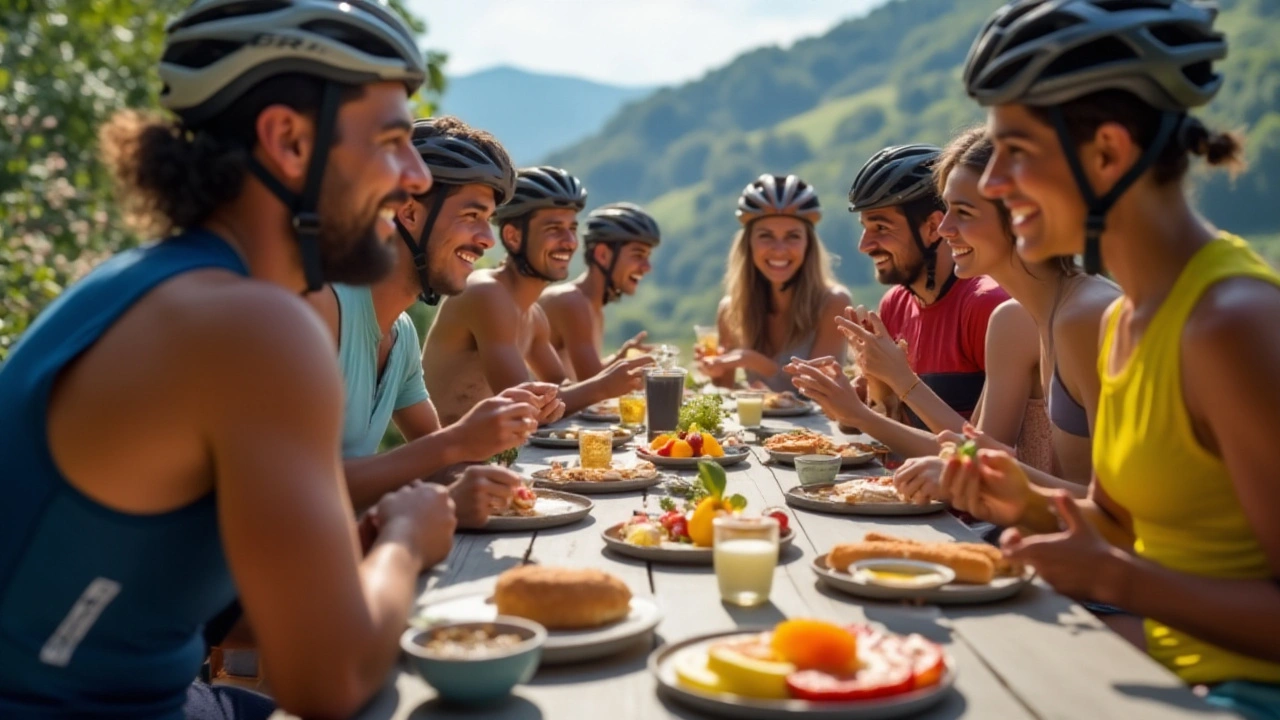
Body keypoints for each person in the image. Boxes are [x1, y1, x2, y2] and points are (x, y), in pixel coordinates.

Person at [0, 3, 474, 718]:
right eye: (390, 141)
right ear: (287, 140)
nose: (413, 177)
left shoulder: (165, 281)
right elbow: (333, 681)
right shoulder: (252, 325)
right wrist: (408, 539)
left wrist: (364, 541)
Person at [948, 1, 1280, 715]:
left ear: (1107, 152)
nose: (996, 183)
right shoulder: (1127, 318)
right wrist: (1025, 499)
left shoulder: (1231, 325)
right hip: (1170, 676)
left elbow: (1125, 565)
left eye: (1015, 151)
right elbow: (1119, 523)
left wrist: (1121, 582)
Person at [794, 127, 1119, 497]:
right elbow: (970, 448)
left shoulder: (1085, 317)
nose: (944, 229)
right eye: (946, 211)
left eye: (962, 212)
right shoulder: (1014, 318)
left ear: (1022, 214)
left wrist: (889, 398)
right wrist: (875, 400)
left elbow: (1119, 515)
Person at [307, 116, 563, 518]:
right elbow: (304, 490)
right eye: (471, 216)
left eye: (489, 221)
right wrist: (460, 441)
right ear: (408, 213)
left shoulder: (401, 334)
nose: (486, 240)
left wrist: (487, 454)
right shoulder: (324, 310)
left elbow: (438, 461)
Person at [422, 166, 652, 425]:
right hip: (450, 464)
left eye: (572, 228)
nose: (569, 242)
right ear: (513, 236)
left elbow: (559, 389)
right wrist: (603, 386)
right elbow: (527, 406)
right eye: (554, 229)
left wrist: (617, 373)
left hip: (492, 459)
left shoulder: (532, 314)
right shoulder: (486, 293)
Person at [842, 144, 1010, 426]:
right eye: (864, 228)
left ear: (933, 228)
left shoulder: (986, 305)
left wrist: (897, 381)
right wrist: (868, 389)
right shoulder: (894, 305)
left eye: (881, 228)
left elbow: (985, 449)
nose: (864, 245)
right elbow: (897, 426)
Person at [698, 174, 852, 391]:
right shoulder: (730, 310)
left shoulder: (834, 303)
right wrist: (716, 369)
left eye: (792, 236)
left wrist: (749, 360)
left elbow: (820, 390)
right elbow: (725, 394)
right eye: (766, 236)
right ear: (748, 244)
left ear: (808, 245)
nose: (779, 250)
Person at [539, 202, 660, 381]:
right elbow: (595, 387)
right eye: (638, 255)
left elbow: (591, 379)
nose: (647, 267)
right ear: (602, 254)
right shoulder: (571, 302)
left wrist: (621, 357)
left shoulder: (592, 307)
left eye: (647, 257)